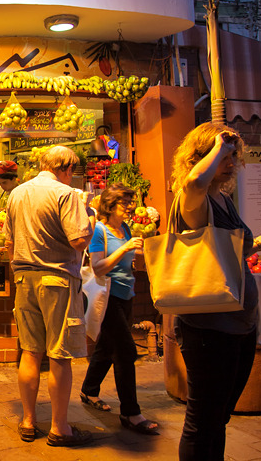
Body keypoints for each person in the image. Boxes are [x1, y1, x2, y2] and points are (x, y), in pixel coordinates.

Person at [169, 123, 261, 460]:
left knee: (219, 418)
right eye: (228, 155)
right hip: (209, 328)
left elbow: (234, 250)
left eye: (234, 155)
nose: (233, 161)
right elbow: (194, 180)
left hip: (240, 323)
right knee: (202, 422)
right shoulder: (192, 199)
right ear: (203, 154)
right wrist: (219, 145)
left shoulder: (222, 199)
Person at [2, 145, 95, 447]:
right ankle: (59, 427)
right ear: (66, 168)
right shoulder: (66, 194)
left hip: (23, 279)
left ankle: (28, 421)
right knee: (59, 354)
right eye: (73, 170)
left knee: (30, 351)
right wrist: (91, 219)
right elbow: (79, 240)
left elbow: (8, 243)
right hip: (57, 279)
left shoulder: (16, 193)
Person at [80, 184, 159, 435]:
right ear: (110, 204)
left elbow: (127, 262)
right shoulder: (98, 232)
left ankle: (89, 390)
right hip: (108, 298)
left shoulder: (125, 228)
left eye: (130, 202)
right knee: (125, 353)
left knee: (106, 348)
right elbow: (98, 268)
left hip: (126, 295)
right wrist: (125, 248)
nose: (129, 207)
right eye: (125, 202)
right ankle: (131, 413)